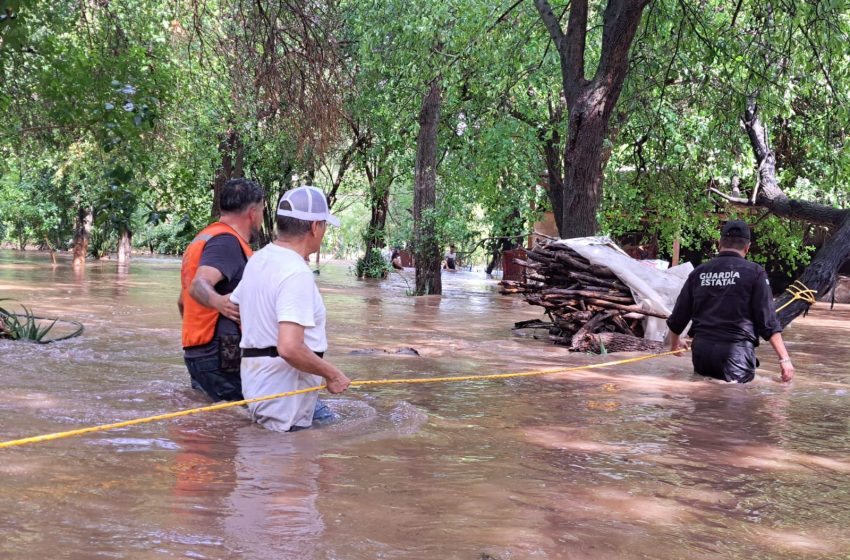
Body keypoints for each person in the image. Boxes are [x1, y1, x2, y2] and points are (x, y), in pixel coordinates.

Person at [231, 185, 351, 432]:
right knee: (287, 464)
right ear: (315, 226)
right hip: (284, 397)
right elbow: (289, 347)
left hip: (259, 385)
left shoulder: (258, 259)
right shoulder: (296, 272)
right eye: (325, 226)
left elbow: (236, 307)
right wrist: (333, 374)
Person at [666, 220, 795, 383]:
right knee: (735, 404)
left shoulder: (699, 272)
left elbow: (679, 316)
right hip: (736, 354)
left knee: (702, 401)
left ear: (719, 244)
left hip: (702, 353)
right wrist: (784, 359)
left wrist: (674, 344)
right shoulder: (755, 272)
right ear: (747, 247)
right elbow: (767, 321)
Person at [178, 178, 265, 401]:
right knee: (249, 422)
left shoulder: (205, 237)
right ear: (253, 212)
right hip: (220, 355)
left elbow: (182, 302)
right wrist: (221, 303)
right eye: (263, 211)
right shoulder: (226, 242)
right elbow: (199, 284)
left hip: (198, 352)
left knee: (218, 422)